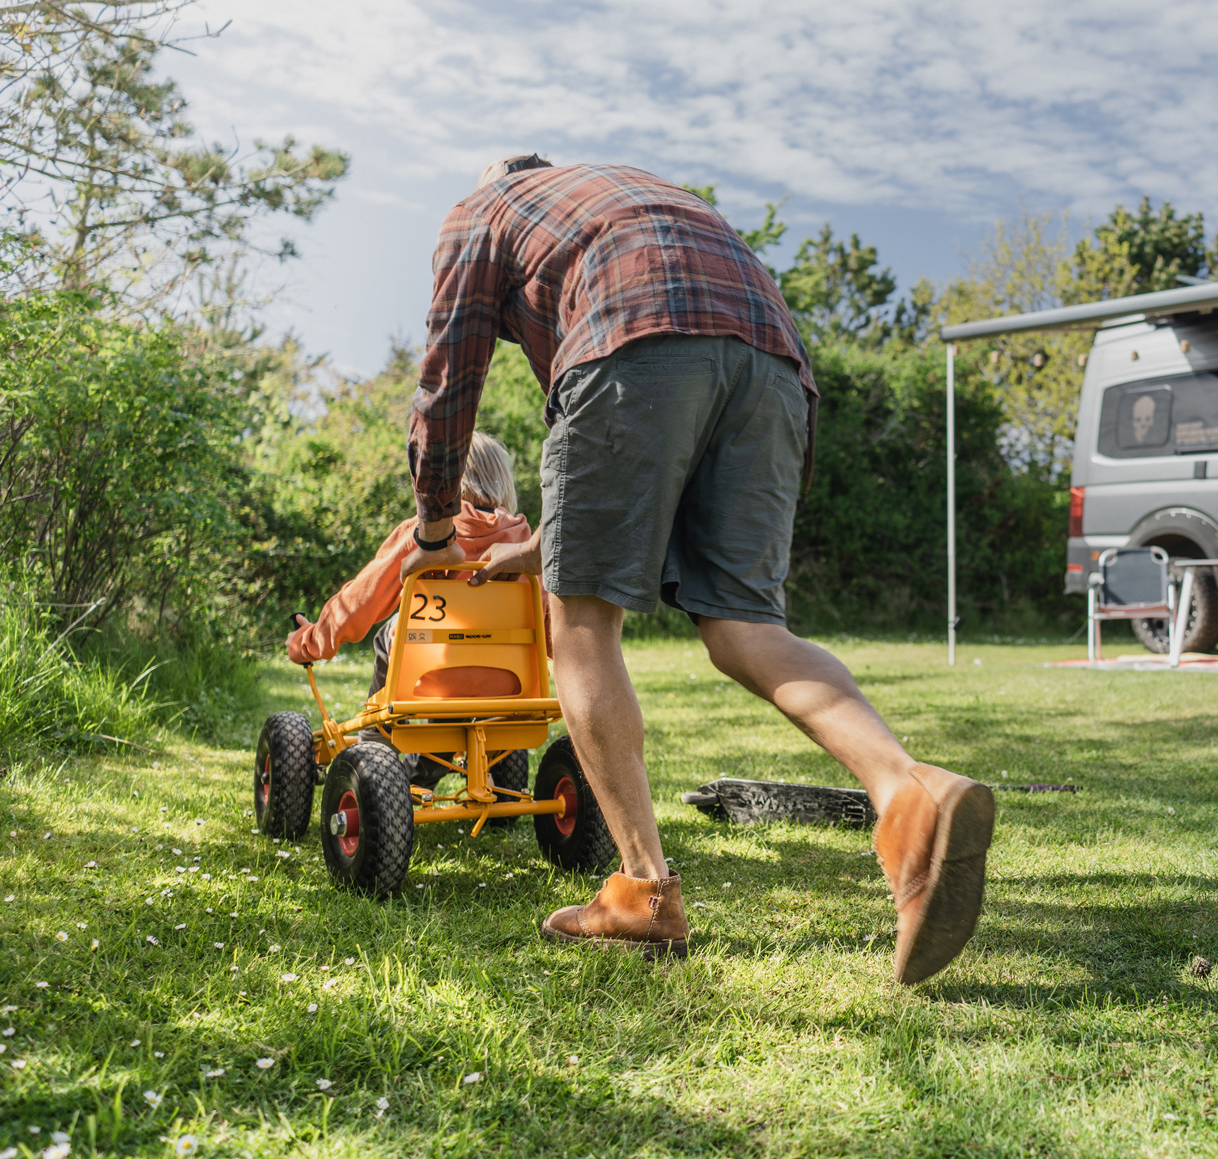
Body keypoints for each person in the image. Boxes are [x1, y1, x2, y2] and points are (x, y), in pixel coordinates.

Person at [399, 155, 994, 984]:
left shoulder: (482, 211)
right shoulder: (628, 191)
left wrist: (433, 523)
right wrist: (537, 545)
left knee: (580, 624)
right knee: (747, 627)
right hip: (773, 367)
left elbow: (450, 373)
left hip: (633, 342)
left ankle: (642, 893)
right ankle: (907, 793)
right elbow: (637, 448)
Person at [286, 430, 532, 700]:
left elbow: (359, 602)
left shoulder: (425, 534)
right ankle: (487, 737)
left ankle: (377, 735)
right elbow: (548, 616)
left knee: (389, 633)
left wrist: (308, 642)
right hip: (509, 684)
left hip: (429, 677)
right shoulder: (524, 544)